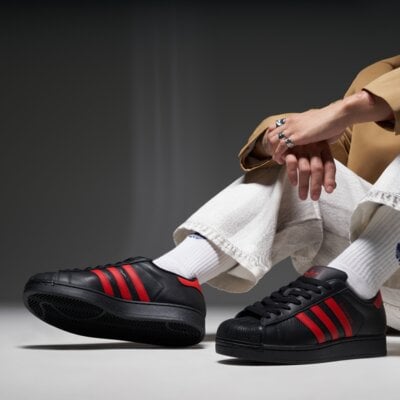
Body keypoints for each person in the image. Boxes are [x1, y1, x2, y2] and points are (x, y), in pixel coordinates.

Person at [23, 55, 400, 364]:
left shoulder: (371, 94)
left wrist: (342, 111)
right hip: (387, 287)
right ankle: (174, 275)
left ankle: (354, 286)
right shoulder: (377, 76)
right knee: (299, 167)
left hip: (373, 275)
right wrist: (289, 138)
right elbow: (322, 153)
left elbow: (336, 118)